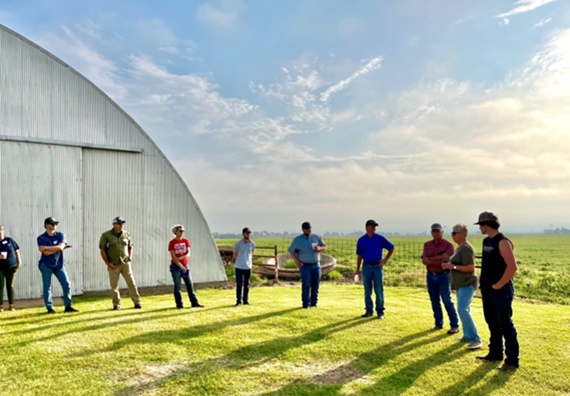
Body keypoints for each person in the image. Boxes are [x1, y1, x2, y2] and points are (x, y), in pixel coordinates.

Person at [475, 212, 519, 371]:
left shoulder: (503, 242)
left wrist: (499, 285)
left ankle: (512, 361)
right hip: (487, 290)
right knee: (492, 322)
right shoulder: (486, 241)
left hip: (501, 291)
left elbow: (512, 267)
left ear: (487, 224)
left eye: (480, 224)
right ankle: (495, 353)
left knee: (505, 324)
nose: (479, 228)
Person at [441, 223, 483, 350]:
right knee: (464, 309)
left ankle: (475, 339)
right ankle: (467, 335)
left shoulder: (466, 248)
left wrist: (452, 266)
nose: (452, 235)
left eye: (454, 233)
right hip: (461, 284)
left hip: (467, 283)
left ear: (462, 234)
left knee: (463, 309)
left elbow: (470, 268)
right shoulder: (460, 247)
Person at [421, 223, 459, 334]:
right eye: (434, 231)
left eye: (438, 231)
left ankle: (454, 325)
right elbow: (424, 261)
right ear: (431, 233)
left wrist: (431, 260)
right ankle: (438, 323)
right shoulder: (427, 244)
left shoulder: (448, 245)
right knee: (434, 300)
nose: (436, 233)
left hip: (443, 275)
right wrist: (439, 259)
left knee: (447, 300)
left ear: (442, 232)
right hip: (430, 275)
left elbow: (446, 262)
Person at [354, 220, 395, 319]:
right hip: (366, 266)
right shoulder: (361, 240)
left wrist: (385, 260)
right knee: (367, 290)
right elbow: (359, 256)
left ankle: (380, 312)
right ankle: (369, 311)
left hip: (377, 267)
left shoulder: (380, 238)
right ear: (366, 227)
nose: (374, 228)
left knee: (378, 290)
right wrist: (357, 270)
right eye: (372, 226)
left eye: (375, 226)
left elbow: (392, 247)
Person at [37, 217, 78, 313]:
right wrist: (58, 248)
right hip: (46, 264)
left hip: (58, 264)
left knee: (66, 283)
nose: (54, 225)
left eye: (55, 223)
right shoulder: (41, 238)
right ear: (47, 225)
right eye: (52, 223)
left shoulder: (60, 235)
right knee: (47, 286)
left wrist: (46, 248)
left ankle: (68, 306)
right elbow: (46, 253)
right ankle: (49, 308)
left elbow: (60, 247)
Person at [99, 216, 142, 310]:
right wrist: (108, 263)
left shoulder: (126, 234)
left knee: (131, 282)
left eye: (122, 224)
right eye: (119, 223)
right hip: (113, 264)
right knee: (114, 285)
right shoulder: (106, 235)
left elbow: (130, 247)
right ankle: (116, 304)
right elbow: (103, 250)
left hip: (125, 263)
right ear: (114, 224)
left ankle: (137, 302)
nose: (121, 225)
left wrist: (130, 257)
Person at [288, 222, 327, 309]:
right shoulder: (297, 240)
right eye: (308, 230)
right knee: (306, 284)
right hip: (305, 266)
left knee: (316, 284)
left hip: (316, 265)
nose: (309, 231)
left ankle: (314, 302)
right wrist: (297, 261)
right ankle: (305, 303)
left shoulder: (316, 237)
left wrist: (319, 248)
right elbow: (291, 251)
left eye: (310, 229)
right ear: (303, 230)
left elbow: (324, 247)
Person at [168, 225, 204, 309]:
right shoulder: (172, 243)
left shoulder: (185, 241)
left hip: (184, 265)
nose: (182, 233)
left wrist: (181, 259)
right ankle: (179, 305)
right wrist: (181, 266)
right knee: (178, 286)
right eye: (180, 231)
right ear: (175, 232)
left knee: (189, 284)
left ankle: (194, 303)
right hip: (176, 266)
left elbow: (188, 254)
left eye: (183, 231)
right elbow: (173, 257)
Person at [233, 227, 256, 307]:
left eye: (249, 233)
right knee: (239, 285)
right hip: (239, 266)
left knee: (247, 284)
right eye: (247, 233)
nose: (248, 235)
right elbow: (235, 254)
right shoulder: (238, 244)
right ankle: (238, 301)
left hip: (248, 267)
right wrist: (239, 261)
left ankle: (245, 300)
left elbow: (252, 253)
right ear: (243, 234)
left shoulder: (252, 244)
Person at [0, 225, 21, 312]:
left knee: (10, 286)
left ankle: (11, 305)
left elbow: (16, 251)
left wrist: (19, 262)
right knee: (0, 286)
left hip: (11, 266)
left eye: (1, 230)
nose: (0, 232)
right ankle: (1, 306)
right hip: (0, 267)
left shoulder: (9, 240)